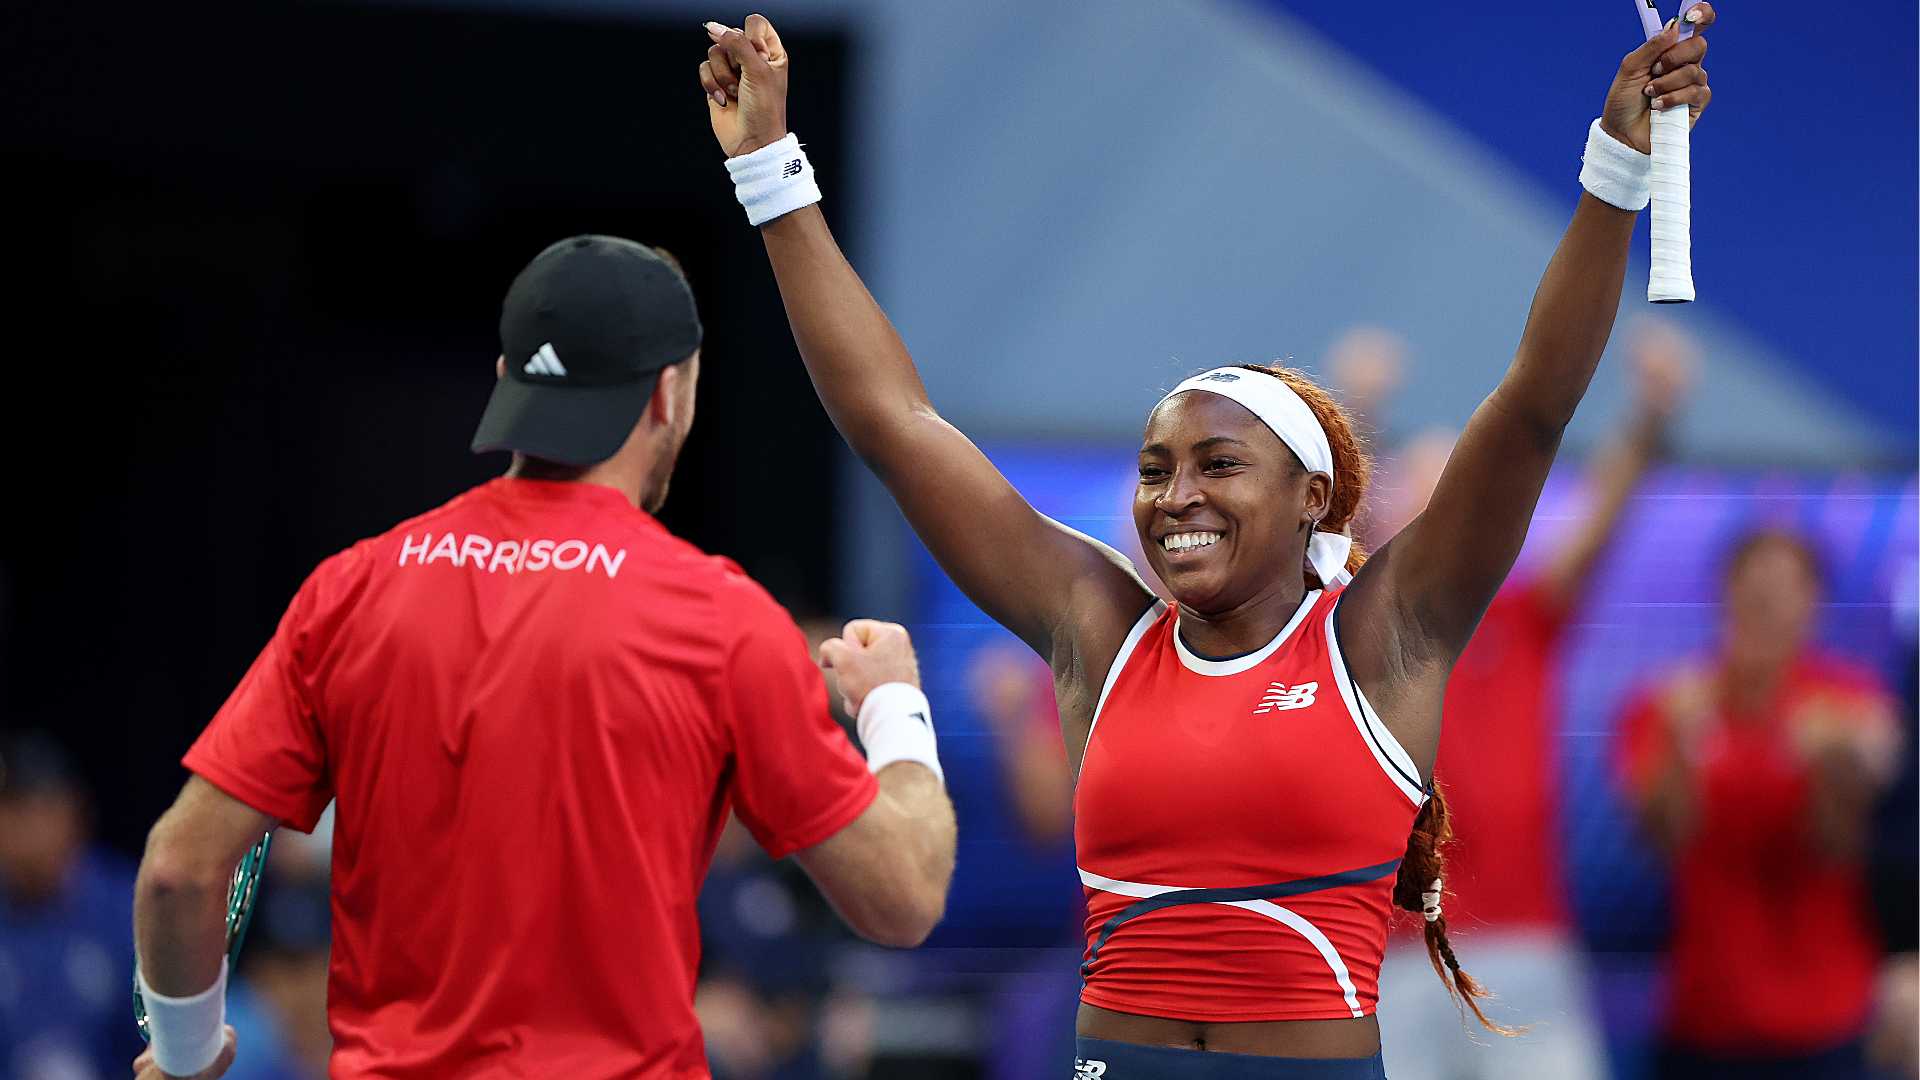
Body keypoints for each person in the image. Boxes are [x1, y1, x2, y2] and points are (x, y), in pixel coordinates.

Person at [696, 9, 1717, 1077]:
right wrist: (771, 168)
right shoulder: (1096, 625)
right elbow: (893, 425)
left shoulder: (1386, 635)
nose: (1175, 495)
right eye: (1154, 468)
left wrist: (1614, 173)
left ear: (1314, 496)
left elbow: (1533, 406)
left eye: (1219, 465)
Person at [129, 236, 958, 1080]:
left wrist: (187, 1056)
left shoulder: (351, 590)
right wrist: (894, 704)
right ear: (669, 395)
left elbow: (179, 869)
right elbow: (902, 897)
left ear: (504, 382)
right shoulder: (723, 622)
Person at [1360, 323, 1694, 1080]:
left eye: (1455, 495)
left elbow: (1602, 523)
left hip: (1524, 944)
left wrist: (1649, 416)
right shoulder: (1357, 628)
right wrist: (1361, 416)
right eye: (1421, 492)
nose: (1442, 512)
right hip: (1396, 953)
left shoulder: (1523, 616)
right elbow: (1322, 526)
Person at [1617, 529, 1901, 1080]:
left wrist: (1836, 762)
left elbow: (1841, 841)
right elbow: (1663, 840)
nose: (1768, 604)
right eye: (1755, 588)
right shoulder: (1668, 703)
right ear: (1727, 596)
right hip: (1707, 1014)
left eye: (1786, 588)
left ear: (1813, 603)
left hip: (1826, 1013)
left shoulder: (1848, 699)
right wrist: (1679, 748)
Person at [0, 732, 144, 1080]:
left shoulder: (128, 907)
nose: (31, 830)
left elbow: (157, 1045)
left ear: (76, 813)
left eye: (45, 809)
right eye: (16, 811)